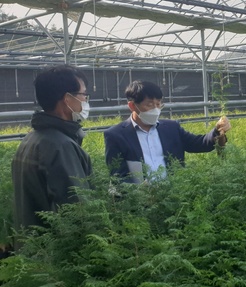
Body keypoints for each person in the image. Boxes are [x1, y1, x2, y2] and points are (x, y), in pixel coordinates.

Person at [11, 65, 93, 230]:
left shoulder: (31, 139)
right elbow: (77, 212)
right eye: (83, 95)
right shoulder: (61, 146)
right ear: (67, 99)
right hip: (55, 244)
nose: (86, 100)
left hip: (31, 240)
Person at [104, 80, 231, 182]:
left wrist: (216, 130)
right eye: (149, 104)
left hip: (174, 195)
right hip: (141, 200)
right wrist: (139, 191)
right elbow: (117, 177)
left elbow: (200, 143)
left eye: (158, 104)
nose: (155, 109)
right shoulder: (116, 135)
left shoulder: (171, 128)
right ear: (132, 106)